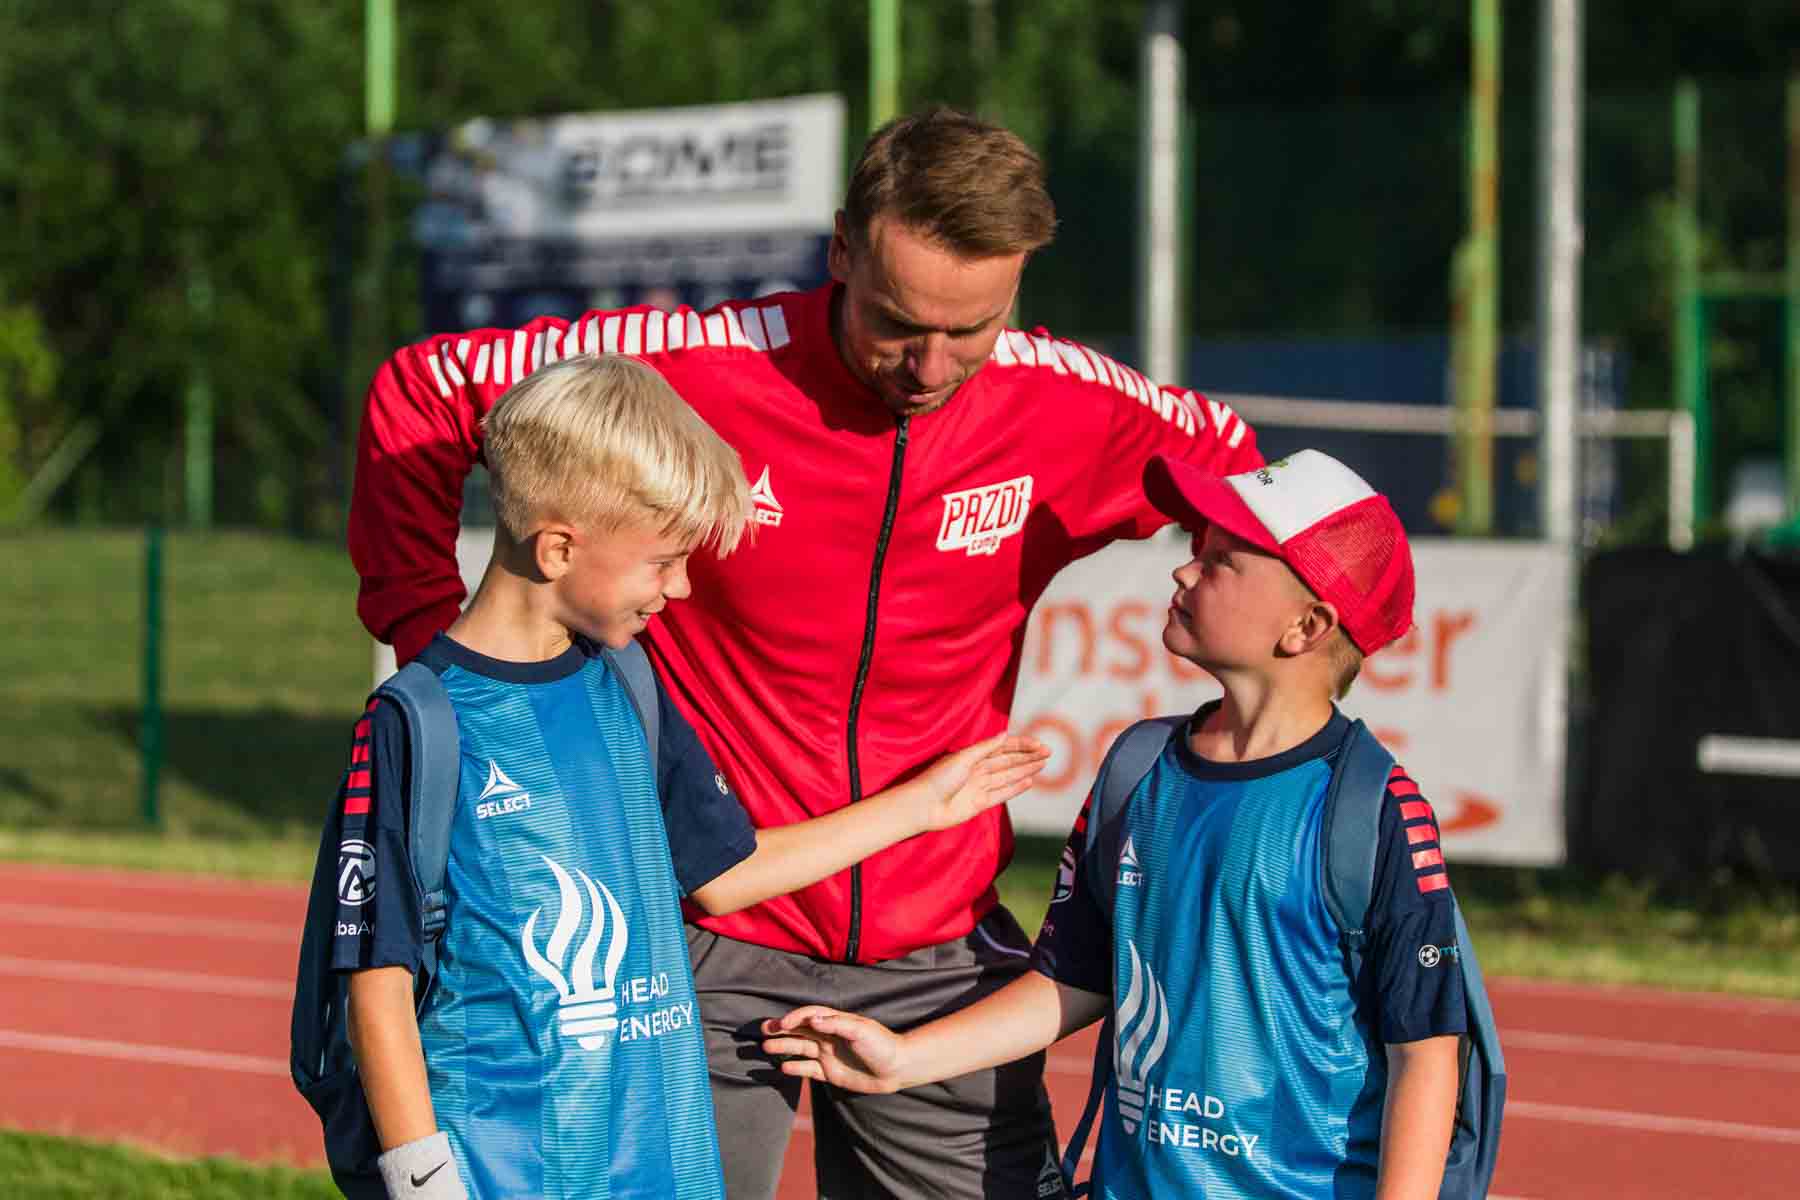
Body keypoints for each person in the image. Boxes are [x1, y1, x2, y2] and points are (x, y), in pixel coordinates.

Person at [348, 106, 1262, 1198]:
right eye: (898, 323)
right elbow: (424, 393)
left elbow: (1244, 484)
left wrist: (1248, 722)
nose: (930, 365)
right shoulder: (699, 364)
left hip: (937, 945)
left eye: (972, 329)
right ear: (840, 250)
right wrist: (452, 670)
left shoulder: (1070, 403)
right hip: (695, 936)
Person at [328, 355, 1051, 1199]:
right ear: (558, 548)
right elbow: (376, 979)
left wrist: (924, 805)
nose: (679, 587)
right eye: (663, 561)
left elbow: (725, 874)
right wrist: (421, 1178)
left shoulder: (629, 688)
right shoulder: (421, 724)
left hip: (654, 1162)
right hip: (500, 1171)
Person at [763, 450, 1469, 1200]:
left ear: (1307, 625)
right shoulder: (1140, 766)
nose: (1184, 571)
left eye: (1222, 561)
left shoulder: (1372, 808)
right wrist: (904, 1059)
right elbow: (1073, 978)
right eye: (1197, 549)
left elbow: (1426, 1054)